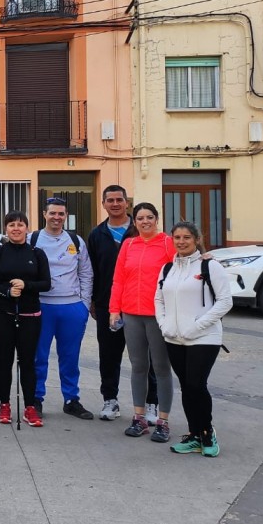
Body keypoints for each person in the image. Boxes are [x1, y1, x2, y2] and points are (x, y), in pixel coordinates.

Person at [155, 221, 232, 458]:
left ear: (196, 239)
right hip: (174, 338)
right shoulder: (168, 268)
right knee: (187, 387)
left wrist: (198, 325)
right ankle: (194, 435)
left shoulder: (210, 266)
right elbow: (159, 299)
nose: (181, 241)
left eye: (186, 237)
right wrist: (164, 324)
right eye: (177, 237)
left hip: (204, 338)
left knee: (197, 385)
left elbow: (225, 302)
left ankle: (207, 432)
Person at [87, 185, 157, 422]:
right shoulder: (97, 235)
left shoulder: (141, 230)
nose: (115, 204)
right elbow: (92, 271)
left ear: (126, 202)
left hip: (143, 306)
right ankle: (110, 400)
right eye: (110, 200)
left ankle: (151, 404)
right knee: (109, 356)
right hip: (109, 306)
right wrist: (93, 302)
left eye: (119, 200)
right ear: (103, 204)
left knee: (147, 359)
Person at [109, 202, 177, 442]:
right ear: (134, 222)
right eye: (140, 218)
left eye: (149, 217)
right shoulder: (129, 244)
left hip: (159, 315)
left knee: (161, 368)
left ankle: (163, 421)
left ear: (157, 219)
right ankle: (139, 418)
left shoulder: (168, 243)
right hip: (131, 313)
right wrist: (114, 309)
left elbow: (182, 270)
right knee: (138, 366)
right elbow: (119, 279)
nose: (145, 221)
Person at [0, 211, 51, 427]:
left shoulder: (37, 253)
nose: (16, 228)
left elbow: (46, 283)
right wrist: (6, 291)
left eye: (20, 224)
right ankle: (4, 405)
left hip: (30, 314)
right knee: (5, 361)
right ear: (6, 229)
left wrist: (26, 285)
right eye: (11, 224)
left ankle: (30, 407)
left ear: (27, 228)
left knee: (27, 362)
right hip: (2, 313)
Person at [31, 197, 95, 421]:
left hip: (71, 307)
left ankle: (71, 400)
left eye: (61, 214)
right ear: (44, 214)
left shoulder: (76, 241)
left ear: (65, 216)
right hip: (41, 306)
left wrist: (84, 305)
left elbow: (86, 273)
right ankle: (36, 399)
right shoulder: (33, 239)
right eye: (52, 213)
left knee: (70, 357)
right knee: (38, 357)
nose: (56, 218)